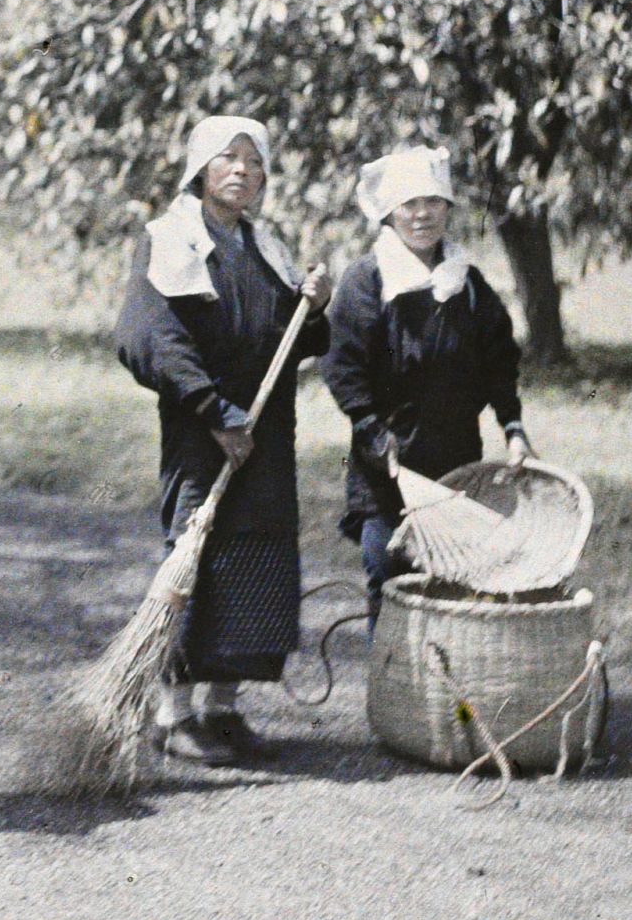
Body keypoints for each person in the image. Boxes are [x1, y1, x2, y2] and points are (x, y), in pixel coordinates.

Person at [115, 116, 332, 767]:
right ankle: (174, 715)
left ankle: (224, 709)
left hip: (265, 433)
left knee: (255, 563)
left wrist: (312, 305)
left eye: (253, 160)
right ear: (200, 169)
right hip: (202, 429)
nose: (241, 170)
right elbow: (148, 336)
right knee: (198, 561)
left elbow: (292, 341)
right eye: (227, 158)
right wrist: (213, 411)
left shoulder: (266, 247)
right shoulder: (168, 239)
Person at [320, 145, 534, 630]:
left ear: (448, 207)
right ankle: (390, 678)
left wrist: (513, 428)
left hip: (456, 462)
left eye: (433, 202)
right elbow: (341, 364)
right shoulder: (367, 280)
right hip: (387, 466)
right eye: (409, 204)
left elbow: (499, 361)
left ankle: (444, 681)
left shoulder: (468, 284)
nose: (422, 214)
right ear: (389, 212)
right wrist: (371, 430)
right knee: (390, 582)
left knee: (452, 584)